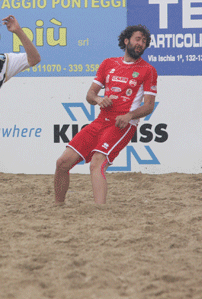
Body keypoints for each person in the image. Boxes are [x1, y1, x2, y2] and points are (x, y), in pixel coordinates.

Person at [54, 24, 157, 205]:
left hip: (122, 124)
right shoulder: (108, 63)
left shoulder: (148, 70)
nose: (141, 43)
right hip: (101, 120)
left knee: (97, 162)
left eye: (145, 41)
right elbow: (90, 95)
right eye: (138, 39)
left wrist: (129, 116)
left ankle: (100, 212)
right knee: (62, 162)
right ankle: (57, 207)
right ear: (126, 41)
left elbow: (149, 106)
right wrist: (100, 99)